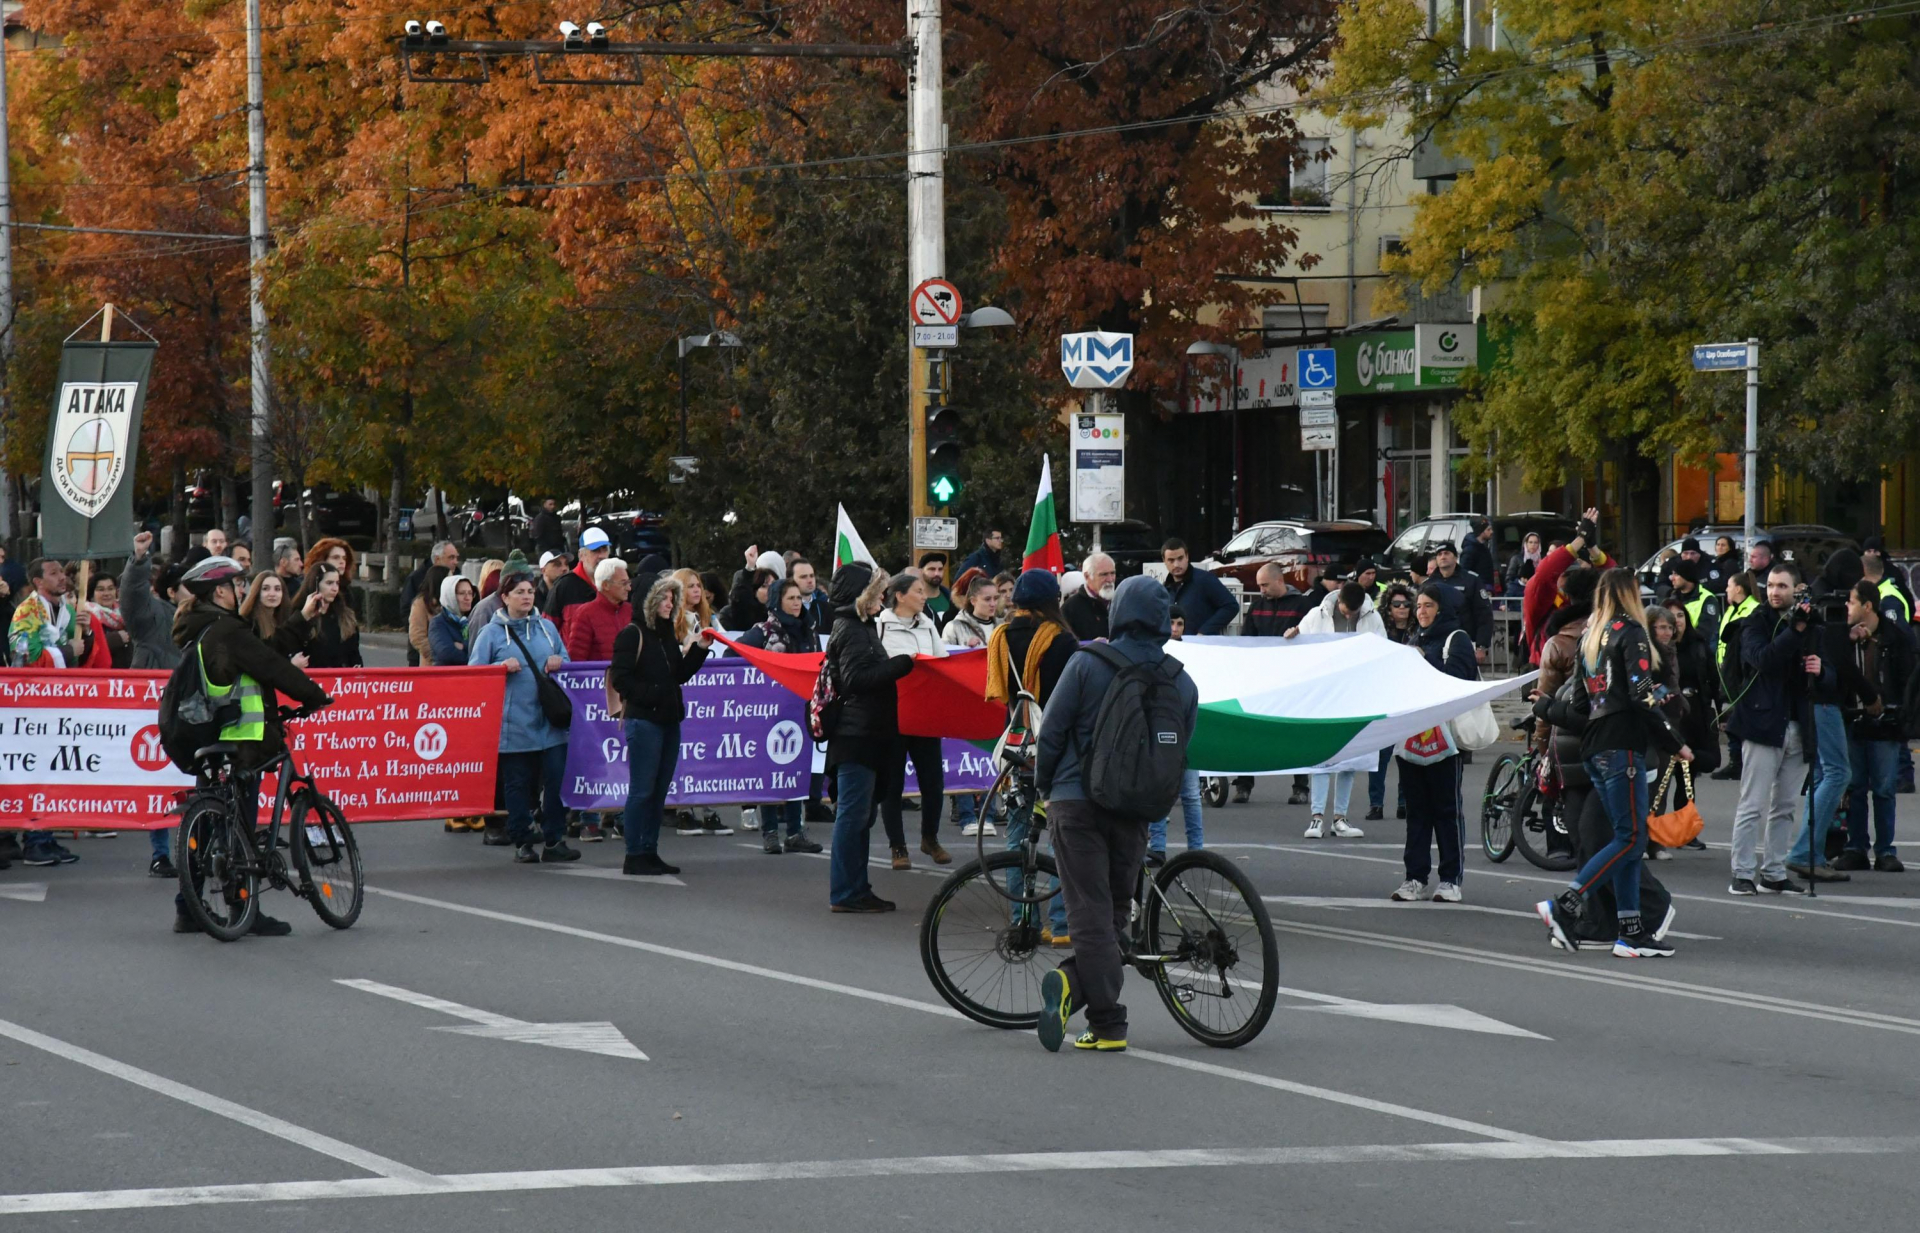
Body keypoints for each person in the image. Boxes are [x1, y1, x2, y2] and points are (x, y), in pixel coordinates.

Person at [1034, 576, 1198, 1054]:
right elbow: (1181, 745)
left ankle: (1108, 1022)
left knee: (1087, 913)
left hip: (1077, 801)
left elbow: (1053, 730)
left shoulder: (1087, 662)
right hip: (1136, 809)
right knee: (1114, 912)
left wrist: (1046, 785)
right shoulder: (1180, 678)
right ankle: (1074, 987)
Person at [168, 555, 332, 935]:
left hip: (210, 739)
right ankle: (245, 907)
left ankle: (188, 908)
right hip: (240, 738)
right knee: (239, 824)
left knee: (209, 828)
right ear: (220, 592)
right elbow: (272, 666)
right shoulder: (226, 630)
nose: (242, 591)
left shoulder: (206, 629)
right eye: (237, 585)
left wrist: (300, 620)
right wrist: (314, 695)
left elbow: (265, 652)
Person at [1534, 568, 1689, 956]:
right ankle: (1567, 903)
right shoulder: (1631, 632)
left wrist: (1548, 708)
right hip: (1623, 745)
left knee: (1627, 839)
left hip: (1595, 747)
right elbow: (1641, 696)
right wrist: (1674, 740)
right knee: (1631, 837)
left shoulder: (1590, 637)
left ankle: (1631, 930)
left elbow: (1581, 706)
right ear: (1630, 595)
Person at [468, 571, 578, 865]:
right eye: (520, 592)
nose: (527, 596)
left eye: (530, 591)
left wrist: (560, 662)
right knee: (517, 785)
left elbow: (565, 659)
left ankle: (554, 840)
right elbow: (474, 675)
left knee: (556, 781)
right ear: (505, 597)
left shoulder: (546, 629)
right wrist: (499, 667)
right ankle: (522, 840)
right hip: (513, 725)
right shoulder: (491, 633)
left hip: (550, 722)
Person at [823, 563, 916, 913]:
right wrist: (900, 665)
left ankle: (856, 888)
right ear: (861, 594)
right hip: (856, 736)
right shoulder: (851, 628)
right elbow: (855, 680)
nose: (883, 595)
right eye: (878, 589)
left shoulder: (859, 626)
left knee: (860, 817)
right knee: (852, 816)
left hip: (866, 734)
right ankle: (846, 892)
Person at [608, 576, 716, 875]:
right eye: (665, 598)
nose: (671, 603)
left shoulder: (666, 632)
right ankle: (634, 853)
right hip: (644, 722)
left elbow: (678, 674)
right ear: (650, 601)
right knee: (642, 790)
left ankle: (649, 850)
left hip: (668, 720)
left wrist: (700, 649)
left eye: (672, 597)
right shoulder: (632, 634)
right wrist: (653, 695)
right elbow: (620, 679)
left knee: (659, 791)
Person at [1725, 563, 1814, 897]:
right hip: (1762, 722)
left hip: (1799, 723)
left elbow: (1831, 674)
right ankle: (1742, 872)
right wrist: (1796, 631)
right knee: (1753, 803)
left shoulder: (1808, 624)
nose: (1775, 592)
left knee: (1786, 806)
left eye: (1782, 586)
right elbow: (1763, 659)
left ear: (1796, 589)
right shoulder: (1756, 622)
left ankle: (1774, 871)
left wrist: (1821, 670)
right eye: (1772, 585)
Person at [1389, 585, 1478, 903]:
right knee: (1416, 813)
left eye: (1428, 605)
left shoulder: (1457, 639)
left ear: (1441, 608)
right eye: (1419, 606)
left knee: (1447, 811)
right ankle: (1415, 877)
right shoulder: (1413, 640)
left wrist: (1424, 662)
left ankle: (1450, 879)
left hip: (1446, 741)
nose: (1422, 611)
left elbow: (1457, 681)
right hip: (1412, 740)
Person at [731, 579, 825, 855]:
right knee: (771, 772)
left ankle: (795, 832)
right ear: (777, 602)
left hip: (800, 710)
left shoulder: (809, 630)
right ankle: (770, 832)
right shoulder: (763, 631)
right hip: (770, 714)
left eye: (799, 597)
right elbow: (733, 654)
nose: (797, 602)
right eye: (790, 598)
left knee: (796, 771)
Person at [1287, 582, 1384, 838]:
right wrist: (1293, 634)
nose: (1350, 615)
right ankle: (1317, 817)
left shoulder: (1372, 617)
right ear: (1338, 599)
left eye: (1355, 611)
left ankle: (1340, 818)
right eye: (1346, 609)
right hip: (1325, 695)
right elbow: (1300, 642)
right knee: (1322, 757)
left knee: (1349, 758)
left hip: (1355, 695)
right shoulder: (1317, 614)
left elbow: (1382, 650)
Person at [1832, 578, 1911, 873]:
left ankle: (1885, 850)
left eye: (1851, 602)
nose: (1846, 608)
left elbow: (1906, 679)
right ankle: (1855, 848)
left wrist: (1895, 710)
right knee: (1853, 787)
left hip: (1884, 725)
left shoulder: (1894, 638)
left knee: (1884, 788)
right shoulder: (1844, 637)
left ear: (1867, 606)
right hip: (1852, 721)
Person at [877, 571, 952, 868]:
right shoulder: (880, 625)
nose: (924, 596)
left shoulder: (928, 625)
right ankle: (898, 847)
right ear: (900, 595)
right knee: (892, 785)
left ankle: (930, 838)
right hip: (892, 716)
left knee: (933, 783)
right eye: (918, 591)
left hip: (924, 715)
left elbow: (942, 662)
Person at [1237, 561, 1317, 805]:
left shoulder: (1303, 606)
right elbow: (1246, 641)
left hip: (1292, 680)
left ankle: (1301, 787)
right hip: (1260, 679)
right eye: (1259, 586)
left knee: (1295, 731)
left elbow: (1313, 636)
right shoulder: (1257, 607)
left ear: (1280, 581)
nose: (1260, 591)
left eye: (1264, 585)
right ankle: (1243, 784)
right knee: (1250, 731)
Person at [1146, 607, 1205, 867]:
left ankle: (1197, 849)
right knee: (1160, 790)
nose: (1176, 629)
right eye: (1171, 623)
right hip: (1164, 726)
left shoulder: (1195, 653)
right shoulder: (1155, 651)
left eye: (1180, 623)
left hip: (1184, 726)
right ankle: (1157, 847)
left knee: (1191, 795)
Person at [1367, 582, 1421, 821]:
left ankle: (1404, 802)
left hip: (1409, 696)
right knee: (1380, 755)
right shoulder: (1379, 632)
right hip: (1384, 697)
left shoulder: (1417, 632)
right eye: (1396, 604)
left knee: (1406, 755)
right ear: (1387, 607)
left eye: (1406, 604)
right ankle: (1376, 804)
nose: (1402, 608)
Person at [1522, 508, 1603, 664]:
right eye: (1565, 574)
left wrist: (1592, 546)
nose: (1571, 580)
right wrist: (1580, 539)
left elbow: (1613, 578)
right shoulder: (1541, 597)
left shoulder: (1588, 600)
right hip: (1543, 670)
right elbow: (1544, 573)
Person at [120, 532, 186, 672]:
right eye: (189, 585)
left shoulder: (200, 616)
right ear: (171, 592)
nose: (195, 591)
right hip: (150, 690)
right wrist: (139, 559)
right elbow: (133, 593)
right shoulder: (152, 613)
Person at [8, 558, 84, 669]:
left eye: (61, 571)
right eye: (53, 573)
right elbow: (28, 660)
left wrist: (87, 633)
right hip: (34, 684)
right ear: (39, 582)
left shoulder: (68, 611)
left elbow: (80, 655)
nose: (62, 577)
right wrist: (69, 650)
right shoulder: (26, 612)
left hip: (66, 682)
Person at [1426, 540, 1494, 664]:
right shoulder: (1428, 584)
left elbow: (1484, 614)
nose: (1443, 557)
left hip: (1464, 643)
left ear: (1455, 557)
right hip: (1435, 644)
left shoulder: (1471, 580)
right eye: (1439, 554)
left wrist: (1481, 646)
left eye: (1447, 553)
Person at [290, 562, 362, 668]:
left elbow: (354, 653)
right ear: (316, 585)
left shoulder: (346, 616)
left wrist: (357, 669)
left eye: (337, 583)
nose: (334, 588)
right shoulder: (298, 616)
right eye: (329, 583)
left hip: (341, 680)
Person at [402, 541, 460, 666]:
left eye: (456, 557)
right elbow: (409, 618)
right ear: (437, 559)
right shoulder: (416, 579)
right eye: (451, 557)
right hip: (424, 657)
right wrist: (439, 650)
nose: (455, 562)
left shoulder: (458, 578)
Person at [1160, 539, 1235, 635]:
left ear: (1187, 557)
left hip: (1202, 646)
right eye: (1171, 560)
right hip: (1175, 646)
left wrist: (1204, 631)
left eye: (1180, 558)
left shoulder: (1205, 579)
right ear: (1164, 561)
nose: (1176, 564)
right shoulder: (1164, 588)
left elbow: (1231, 606)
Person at [545, 526, 610, 634]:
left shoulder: (616, 583)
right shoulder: (564, 586)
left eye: (605, 550)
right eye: (595, 551)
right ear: (581, 555)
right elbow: (547, 631)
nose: (602, 556)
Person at [239, 571, 310, 663]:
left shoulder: (285, 619)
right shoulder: (248, 622)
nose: (272, 594)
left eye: (277, 589)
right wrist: (290, 665)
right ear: (256, 592)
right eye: (265, 589)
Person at [1666, 556, 1721, 650]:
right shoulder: (1672, 598)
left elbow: (1705, 631)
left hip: (1699, 653)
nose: (1672, 578)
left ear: (1687, 577)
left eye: (1676, 574)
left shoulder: (1707, 599)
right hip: (1676, 650)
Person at [80, 573, 134, 669]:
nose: (106, 593)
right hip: (101, 677)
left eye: (110, 589)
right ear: (92, 594)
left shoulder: (126, 614)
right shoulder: (86, 615)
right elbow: (85, 647)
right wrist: (115, 639)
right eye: (101, 590)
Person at [1063, 552, 1116, 641]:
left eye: (1113, 573)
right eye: (1104, 574)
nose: (1110, 579)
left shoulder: (1122, 602)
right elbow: (1066, 647)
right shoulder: (1071, 609)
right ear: (1087, 576)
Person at [429, 574, 475, 668]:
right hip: (445, 678)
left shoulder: (471, 620)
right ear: (449, 596)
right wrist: (471, 653)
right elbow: (446, 653)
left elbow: (482, 650)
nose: (468, 598)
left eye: (470, 593)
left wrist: (463, 646)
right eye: (462, 593)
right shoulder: (438, 623)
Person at [942, 573, 1000, 650]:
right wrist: (966, 648)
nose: (993, 604)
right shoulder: (954, 627)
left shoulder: (1002, 626)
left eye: (996, 598)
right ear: (973, 601)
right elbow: (945, 656)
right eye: (987, 599)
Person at [408, 565, 450, 667]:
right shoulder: (421, 604)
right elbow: (417, 636)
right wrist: (438, 653)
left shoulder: (451, 602)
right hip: (432, 665)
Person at [790, 557, 832, 637]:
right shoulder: (784, 608)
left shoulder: (825, 607)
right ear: (791, 579)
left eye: (812, 576)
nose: (810, 580)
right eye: (803, 577)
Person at [1460, 515, 1497, 591]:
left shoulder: (1483, 547)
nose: (1492, 532)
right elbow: (1464, 572)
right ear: (1481, 531)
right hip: (1477, 590)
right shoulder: (1470, 550)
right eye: (1488, 529)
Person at [1506, 532, 1544, 598]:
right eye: (1530, 542)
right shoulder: (1517, 559)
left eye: (1536, 542)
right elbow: (1509, 579)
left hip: (1538, 594)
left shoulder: (1543, 560)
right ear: (1526, 544)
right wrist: (1520, 582)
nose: (1533, 545)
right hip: (1520, 594)